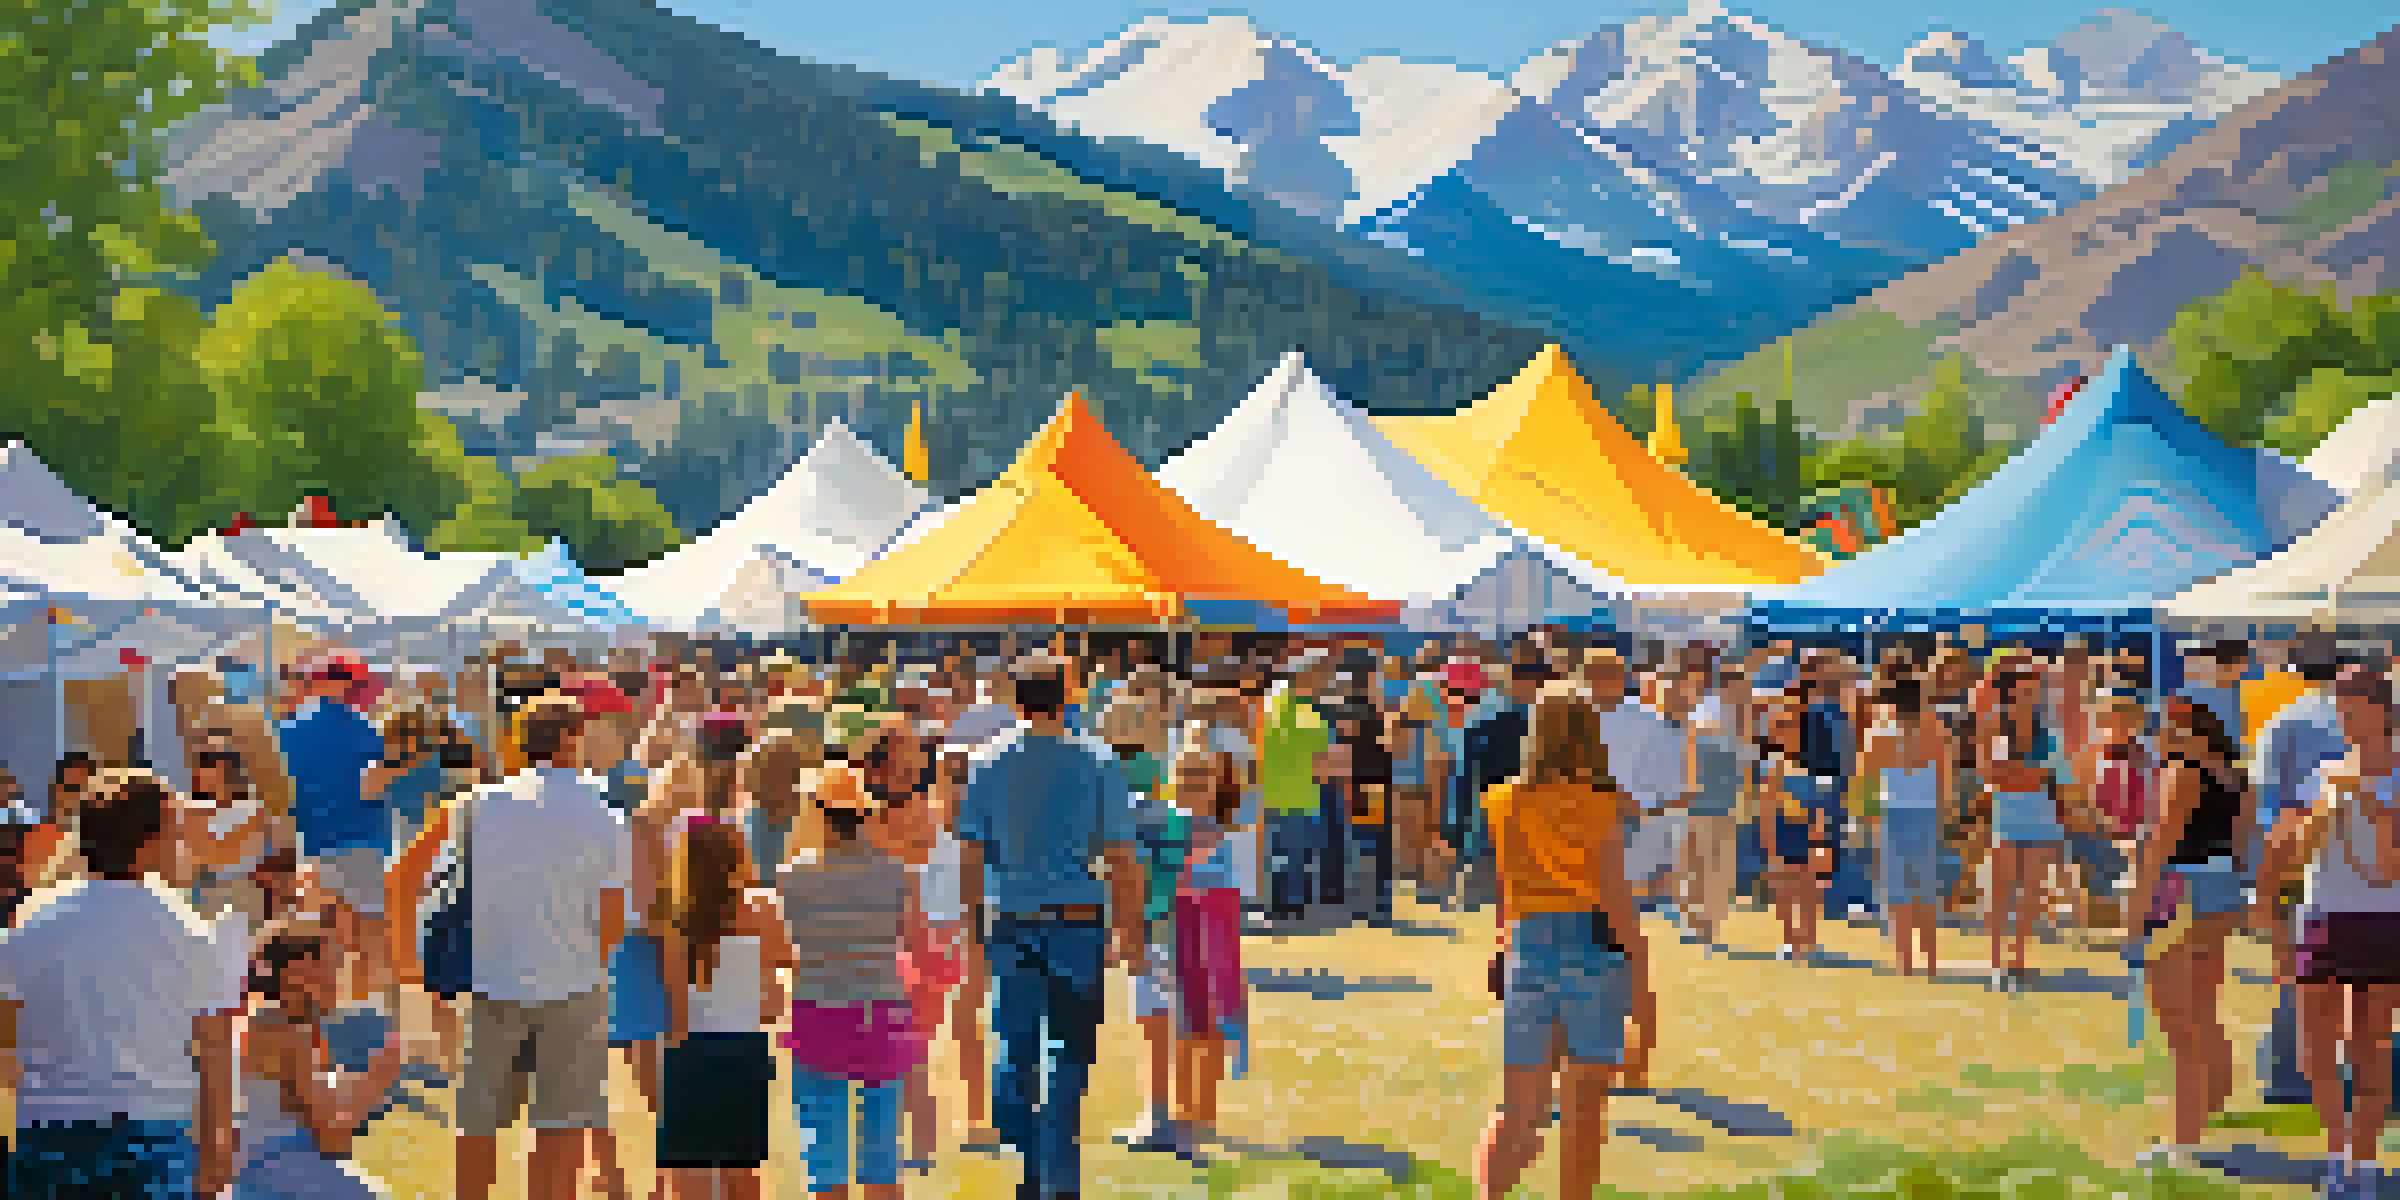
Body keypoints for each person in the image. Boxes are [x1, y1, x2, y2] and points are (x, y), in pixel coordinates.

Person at [0, 768, 247, 1198]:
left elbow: (6, 1052)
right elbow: (214, 1049)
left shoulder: (29, 923)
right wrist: (217, 1147)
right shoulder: (187, 929)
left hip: (48, 1134)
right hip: (154, 1136)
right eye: (175, 834)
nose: (182, 846)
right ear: (147, 845)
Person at [957, 655, 1140, 1200]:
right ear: (1070, 697)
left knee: (1016, 1052)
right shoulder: (1098, 762)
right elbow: (1123, 854)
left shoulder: (988, 762)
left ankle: (1035, 1162)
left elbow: (970, 854)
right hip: (1078, 922)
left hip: (1011, 919)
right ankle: (1055, 1176)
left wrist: (972, 929)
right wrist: (1127, 928)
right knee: (1069, 1054)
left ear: (1014, 700)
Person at [440, 695, 633, 1200]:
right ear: (574, 740)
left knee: (478, 1121)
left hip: (494, 980)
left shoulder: (483, 804)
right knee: (561, 1125)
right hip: (574, 981)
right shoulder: (604, 814)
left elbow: (439, 886)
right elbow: (613, 919)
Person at [1475, 682, 1654, 1200]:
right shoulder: (1601, 803)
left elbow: (1507, 885)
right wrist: (1644, 990)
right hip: (1591, 948)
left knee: (1519, 1108)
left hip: (1527, 945)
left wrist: (1502, 944)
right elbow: (1617, 900)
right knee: (1584, 1107)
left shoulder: (1504, 799)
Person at [2255, 666, 2400, 1197]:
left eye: (2351, 705)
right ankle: (2338, 1152)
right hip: (2321, 913)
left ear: (2380, 710)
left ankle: (2363, 1161)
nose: (2342, 716)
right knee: (2317, 1044)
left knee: (2369, 1044)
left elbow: (2389, 866)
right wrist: (2303, 826)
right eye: (2338, 705)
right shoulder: (2326, 771)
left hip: (2384, 918)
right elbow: (2302, 852)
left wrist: (2362, 797)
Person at [779, 763, 918, 1200]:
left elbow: (785, 951)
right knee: (882, 1145)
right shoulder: (898, 875)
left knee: (825, 1147)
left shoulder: (792, 877)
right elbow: (910, 945)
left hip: (818, 1009)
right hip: (882, 1008)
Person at [2129, 697, 2254, 1170]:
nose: (2156, 735)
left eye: (2163, 727)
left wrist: (2135, 912)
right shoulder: (2235, 777)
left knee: (2179, 1024)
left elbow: (2161, 843)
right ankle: (2201, 1121)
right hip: (2220, 892)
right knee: (2202, 1015)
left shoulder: (2181, 771)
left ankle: (2185, 1142)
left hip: (2181, 893)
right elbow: (2241, 846)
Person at [231, 915, 411, 1200]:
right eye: (331, 966)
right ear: (296, 973)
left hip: (258, 1168)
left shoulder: (265, 1019)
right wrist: (379, 1077)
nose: (340, 978)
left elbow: (306, 1103)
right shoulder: (288, 1033)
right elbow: (334, 1139)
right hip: (273, 1173)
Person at [657, 818, 790, 1200]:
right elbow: (785, 968)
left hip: (689, 1053)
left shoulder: (675, 917)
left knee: (689, 1179)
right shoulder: (762, 906)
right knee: (743, 1176)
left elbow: (675, 1007)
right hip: (745, 1051)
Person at [2249, 638, 2349, 1109]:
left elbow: (2270, 807)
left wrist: (2264, 882)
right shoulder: (2378, 721)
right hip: (2364, 868)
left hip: (2297, 857)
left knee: (2296, 974)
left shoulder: (2282, 722)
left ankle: (2290, 1078)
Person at [277, 653, 394, 1007]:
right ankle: (367, 1011)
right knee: (369, 936)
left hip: (310, 843)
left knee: (316, 938)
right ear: (353, 684)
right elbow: (374, 790)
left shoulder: (285, 732)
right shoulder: (369, 732)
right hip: (362, 842)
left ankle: (320, 1012)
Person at [1170, 733, 1253, 1151]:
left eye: (1201, 776)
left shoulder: (1230, 833)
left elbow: (1234, 898)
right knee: (1183, 1029)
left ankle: (1205, 1113)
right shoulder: (1165, 830)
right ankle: (1184, 1112)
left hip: (1216, 936)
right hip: (1179, 933)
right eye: (1186, 775)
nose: (1193, 784)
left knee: (1214, 1025)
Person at [1981, 661, 2070, 991]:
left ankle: (2017, 961)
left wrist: (2017, 776)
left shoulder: (2050, 736)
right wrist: (2024, 776)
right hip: (2006, 819)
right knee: (1999, 892)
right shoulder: (1997, 732)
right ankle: (1995, 962)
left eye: (2034, 691)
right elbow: (1994, 777)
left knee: (2030, 894)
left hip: (2042, 818)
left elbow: (2051, 781)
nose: (2030, 696)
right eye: (2023, 690)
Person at [1861, 680, 1952, 977]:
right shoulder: (1935, 733)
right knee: (1925, 893)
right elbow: (1944, 780)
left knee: (1899, 894)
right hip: (1924, 815)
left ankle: (1906, 963)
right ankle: (1931, 962)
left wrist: (1870, 820)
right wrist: (1943, 817)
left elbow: (1868, 781)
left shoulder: (1880, 735)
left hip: (1893, 816)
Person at [1759, 699, 1836, 961]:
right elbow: (1768, 806)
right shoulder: (1773, 766)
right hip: (1784, 832)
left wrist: (1819, 834)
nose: (1787, 731)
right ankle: (1790, 941)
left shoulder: (1808, 765)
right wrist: (1769, 841)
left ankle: (1810, 941)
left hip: (1806, 832)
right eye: (1781, 726)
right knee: (1785, 891)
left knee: (1809, 890)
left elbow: (1817, 804)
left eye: (1791, 726)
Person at [1261, 655, 1332, 924]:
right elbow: (1322, 764)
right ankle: (1291, 907)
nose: (1323, 681)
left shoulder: (1267, 703)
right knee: (1295, 857)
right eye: (1320, 675)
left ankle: (1276, 905)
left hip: (1267, 794)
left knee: (1275, 855)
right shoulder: (1308, 713)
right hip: (1299, 795)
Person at [1678, 669, 1743, 951]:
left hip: (1722, 804)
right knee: (1700, 867)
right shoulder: (1708, 712)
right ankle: (1697, 925)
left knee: (1718, 870)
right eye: (1740, 688)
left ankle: (1708, 927)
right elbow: (1692, 747)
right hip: (1701, 804)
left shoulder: (1738, 717)